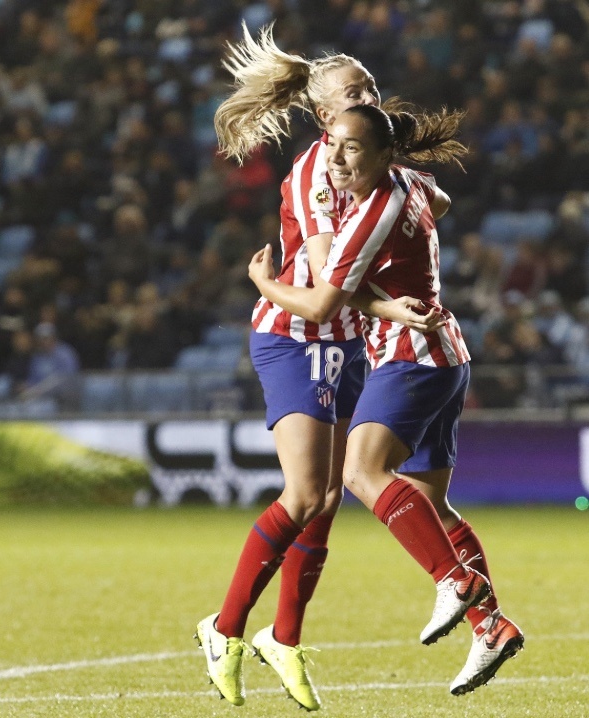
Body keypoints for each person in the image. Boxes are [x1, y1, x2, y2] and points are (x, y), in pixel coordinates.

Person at [195, 24, 445, 711]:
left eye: (369, 85)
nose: (369, 95)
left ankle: (286, 638)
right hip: (295, 335)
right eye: (354, 92)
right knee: (305, 495)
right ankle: (222, 629)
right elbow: (332, 284)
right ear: (324, 116)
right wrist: (272, 288)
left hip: (344, 340)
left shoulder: (376, 168)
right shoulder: (313, 175)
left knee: (330, 503)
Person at [248, 103, 524, 699]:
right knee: (430, 505)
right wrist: (395, 288)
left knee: (360, 470)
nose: (337, 158)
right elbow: (441, 206)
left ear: (383, 156)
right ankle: (491, 626)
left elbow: (322, 305)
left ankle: (455, 582)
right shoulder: (413, 184)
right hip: (447, 353)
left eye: (352, 149)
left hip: (408, 358)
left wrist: (266, 285)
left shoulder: (373, 208)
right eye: (333, 144)